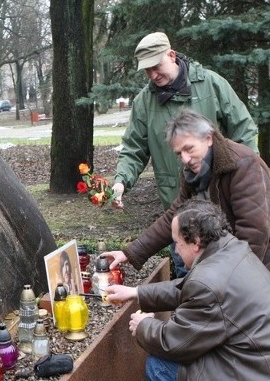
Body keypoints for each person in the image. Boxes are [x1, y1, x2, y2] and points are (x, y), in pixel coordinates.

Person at [106, 199, 270, 381]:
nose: (175, 249)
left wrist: (143, 325)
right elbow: (188, 286)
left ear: (196, 242)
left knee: (160, 367)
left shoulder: (209, 282)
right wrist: (136, 292)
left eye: (177, 242)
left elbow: (173, 343)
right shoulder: (232, 250)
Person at [102, 110, 270, 289]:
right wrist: (130, 253)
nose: (185, 159)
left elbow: (254, 233)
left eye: (189, 149)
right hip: (247, 246)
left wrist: (234, 283)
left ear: (208, 138)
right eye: (179, 153)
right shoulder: (194, 171)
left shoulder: (243, 165)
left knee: (250, 310)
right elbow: (176, 216)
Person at [111, 31, 259, 276]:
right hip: (180, 209)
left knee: (228, 278)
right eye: (146, 71)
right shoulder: (145, 102)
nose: (152, 75)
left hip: (222, 206)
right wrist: (120, 181)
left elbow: (244, 130)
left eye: (156, 67)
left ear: (171, 55)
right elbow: (133, 149)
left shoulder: (212, 84)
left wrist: (247, 177)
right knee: (187, 280)